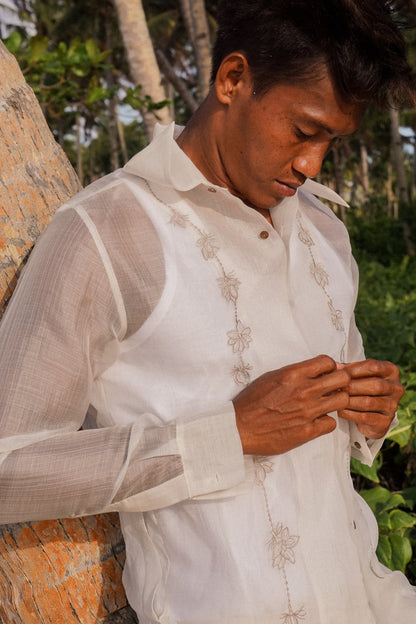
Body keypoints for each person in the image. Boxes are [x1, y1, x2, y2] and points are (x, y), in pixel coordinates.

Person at [0, 0, 416, 622]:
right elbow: (8, 468)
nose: (312, 166)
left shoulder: (325, 233)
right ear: (233, 79)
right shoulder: (109, 232)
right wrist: (227, 436)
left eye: (332, 141)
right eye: (303, 132)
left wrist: (369, 412)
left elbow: (333, 436)